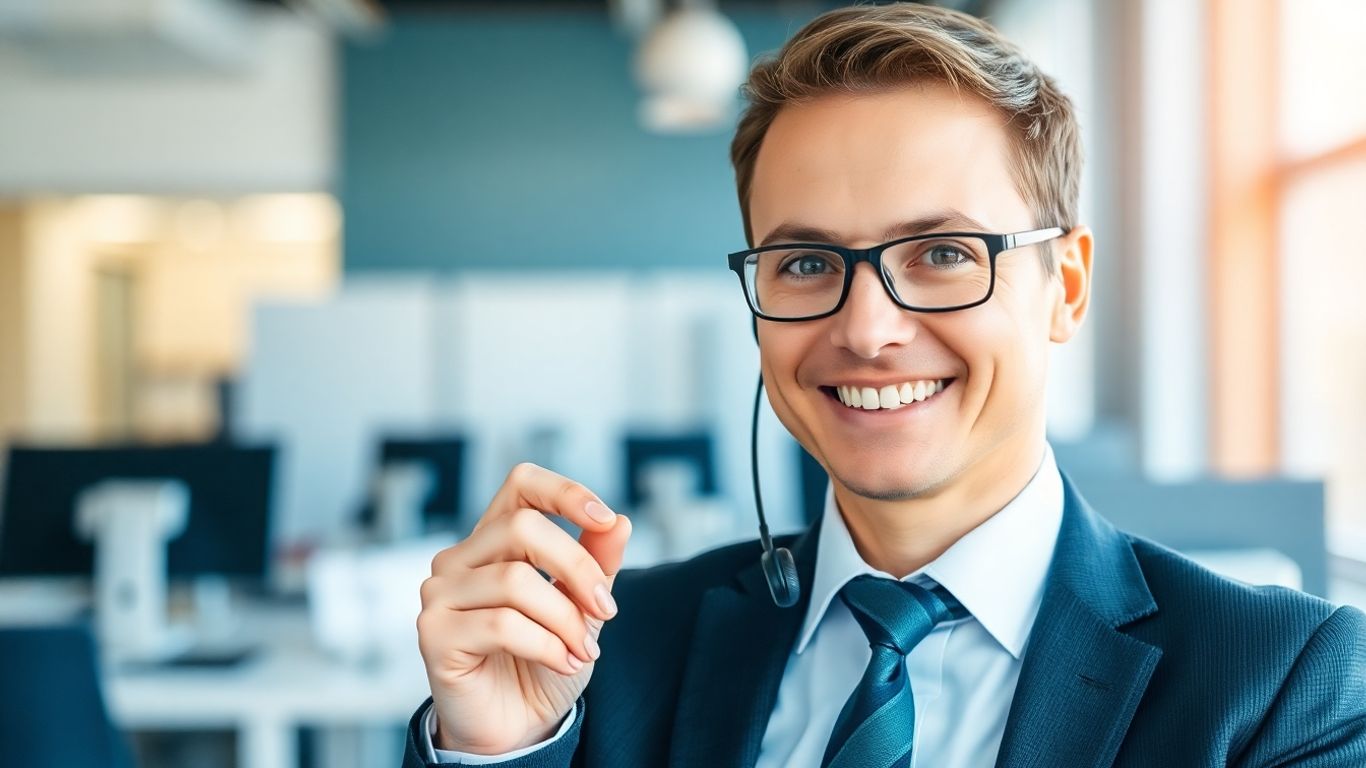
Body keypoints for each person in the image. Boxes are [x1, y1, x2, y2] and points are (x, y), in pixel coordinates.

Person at [403, 4, 1366, 766]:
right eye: (808, 265)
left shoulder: (1283, 685)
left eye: (945, 252)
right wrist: (500, 750)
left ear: (1063, 287)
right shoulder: (606, 653)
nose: (866, 331)